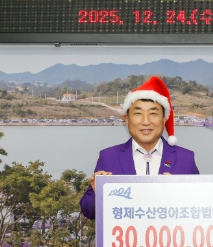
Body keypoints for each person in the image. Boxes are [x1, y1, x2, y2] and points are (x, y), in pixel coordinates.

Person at [80, 76, 200, 219]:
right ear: (126, 119)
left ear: (164, 119)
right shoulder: (109, 156)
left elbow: (201, 206)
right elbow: (88, 211)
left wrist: (180, 193)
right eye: (138, 114)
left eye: (153, 114)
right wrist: (99, 193)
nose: (145, 122)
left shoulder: (185, 158)